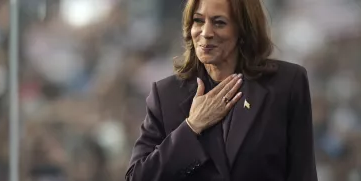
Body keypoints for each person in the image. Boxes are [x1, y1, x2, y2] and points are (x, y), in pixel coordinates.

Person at [125, 0, 318, 180]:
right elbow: (138, 176)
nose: (206, 32)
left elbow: (303, 173)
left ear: (243, 30)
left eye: (219, 23)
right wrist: (192, 127)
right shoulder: (165, 94)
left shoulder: (287, 84)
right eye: (198, 21)